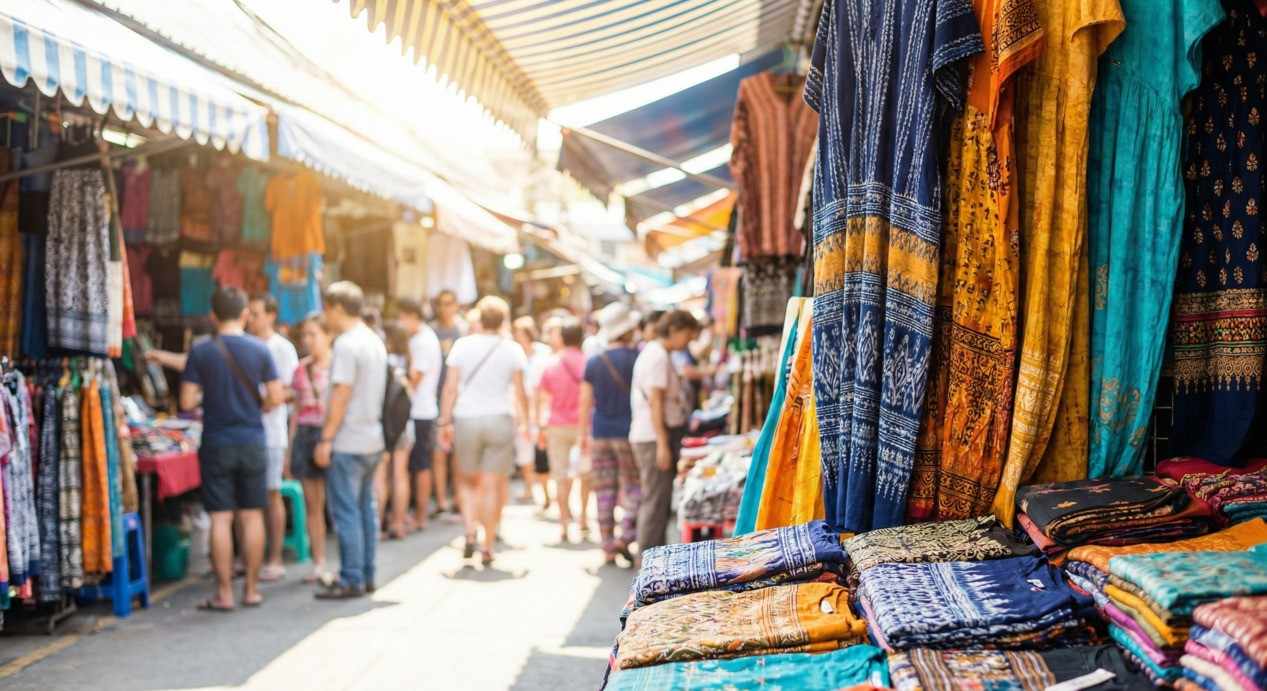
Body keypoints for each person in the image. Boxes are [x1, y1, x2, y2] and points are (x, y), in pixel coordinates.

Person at [181, 287, 285, 611]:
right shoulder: (260, 349)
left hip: (216, 442)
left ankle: (224, 593)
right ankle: (252, 590)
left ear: (213, 315)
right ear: (244, 314)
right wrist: (261, 404)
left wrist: (208, 397)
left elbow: (186, 401)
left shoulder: (201, 351)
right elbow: (276, 396)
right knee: (253, 515)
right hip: (253, 440)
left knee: (221, 519)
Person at [437, 296, 529, 565]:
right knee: (490, 485)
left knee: (466, 481)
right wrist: (524, 422)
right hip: (500, 418)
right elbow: (520, 392)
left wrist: (444, 420)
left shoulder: (462, 346)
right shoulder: (512, 349)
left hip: (466, 418)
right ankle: (488, 545)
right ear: (503, 320)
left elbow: (450, 388)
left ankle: (469, 532)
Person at [314, 281, 388, 599]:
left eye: (327, 308)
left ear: (337, 308)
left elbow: (342, 393)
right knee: (365, 510)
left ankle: (351, 578)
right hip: (372, 436)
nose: (325, 315)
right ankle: (366, 574)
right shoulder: (373, 340)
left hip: (349, 439)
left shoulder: (346, 344)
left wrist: (326, 438)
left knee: (347, 512)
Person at [629, 309, 698, 554]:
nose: (688, 342)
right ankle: (648, 559)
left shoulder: (658, 353)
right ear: (674, 330)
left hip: (653, 435)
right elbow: (655, 402)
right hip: (653, 436)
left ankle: (651, 557)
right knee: (656, 501)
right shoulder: (657, 356)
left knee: (658, 499)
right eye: (687, 336)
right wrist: (662, 443)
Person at [578, 303, 642, 566]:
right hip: (629, 432)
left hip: (600, 432)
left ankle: (606, 545)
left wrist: (583, 435)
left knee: (603, 489)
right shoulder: (637, 358)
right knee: (634, 486)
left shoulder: (594, 361)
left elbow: (585, 403)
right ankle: (625, 536)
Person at [247, 293, 299, 582]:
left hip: (272, 432)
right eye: (249, 314)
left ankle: (275, 557)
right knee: (250, 500)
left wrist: (271, 399)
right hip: (250, 432)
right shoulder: (246, 345)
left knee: (271, 494)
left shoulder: (282, 348)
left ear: (270, 315)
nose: (251, 319)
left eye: (256, 313)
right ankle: (251, 558)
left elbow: (292, 389)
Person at [535, 318, 589, 543]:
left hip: (556, 424)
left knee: (560, 475)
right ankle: (584, 519)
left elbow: (542, 398)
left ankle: (564, 524)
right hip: (583, 425)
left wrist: (541, 427)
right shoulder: (588, 362)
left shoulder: (551, 364)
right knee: (585, 474)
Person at [289, 315, 334, 585]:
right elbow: (295, 412)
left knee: (339, 501)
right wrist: (289, 448)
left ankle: (348, 562)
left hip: (330, 435)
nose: (308, 340)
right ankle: (319, 562)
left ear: (328, 335)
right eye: (305, 335)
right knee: (313, 504)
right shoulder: (300, 370)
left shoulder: (339, 367)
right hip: (306, 435)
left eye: (313, 334)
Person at [400, 299, 442, 532]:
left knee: (420, 465)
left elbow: (415, 379)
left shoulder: (423, 341)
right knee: (418, 465)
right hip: (421, 410)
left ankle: (421, 515)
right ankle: (417, 514)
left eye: (403, 317)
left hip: (420, 411)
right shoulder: (424, 338)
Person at [376, 324, 414, 539]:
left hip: (385, 425)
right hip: (405, 424)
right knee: (400, 475)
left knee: (380, 477)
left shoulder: (382, 362)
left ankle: (379, 525)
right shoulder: (408, 361)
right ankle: (398, 523)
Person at [430, 289, 465, 519]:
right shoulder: (432, 331)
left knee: (459, 453)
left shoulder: (463, 330)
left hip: (460, 397)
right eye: (441, 303)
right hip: (435, 396)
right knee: (439, 451)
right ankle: (442, 499)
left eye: (449, 303)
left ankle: (460, 499)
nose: (445, 307)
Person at [513, 316, 552, 508]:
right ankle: (530, 488)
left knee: (542, 452)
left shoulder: (543, 353)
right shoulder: (515, 353)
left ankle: (545, 493)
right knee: (524, 453)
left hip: (541, 410)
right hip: (521, 410)